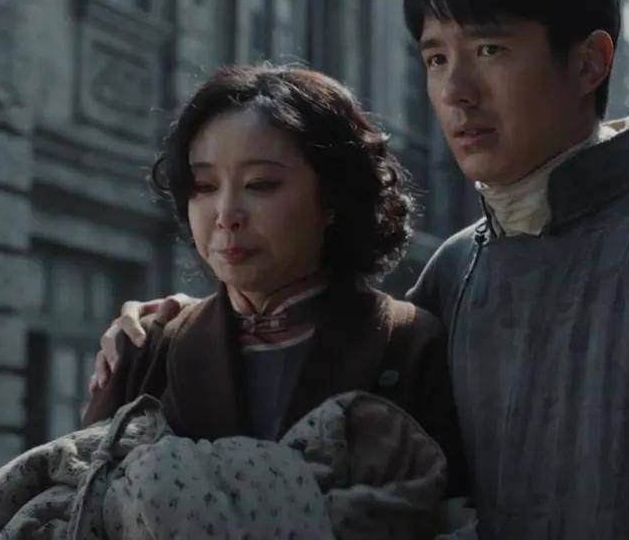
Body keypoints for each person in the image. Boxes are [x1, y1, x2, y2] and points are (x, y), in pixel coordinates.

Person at [91, 0, 629, 537]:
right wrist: (187, 321)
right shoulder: (454, 272)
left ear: (589, 61)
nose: (456, 91)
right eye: (436, 57)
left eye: (489, 50)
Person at [82, 63, 467, 498]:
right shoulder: (148, 345)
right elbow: (79, 503)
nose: (226, 215)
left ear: (332, 197)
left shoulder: (408, 342)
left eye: (260, 184)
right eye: (204, 186)